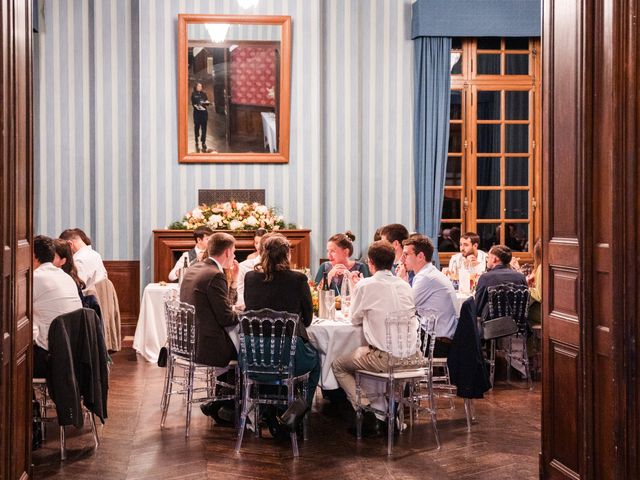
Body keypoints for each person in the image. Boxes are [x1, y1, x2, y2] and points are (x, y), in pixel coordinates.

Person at [332, 241, 417, 436]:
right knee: (366, 352)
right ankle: (389, 412)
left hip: (385, 358)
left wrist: (355, 289)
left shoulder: (366, 284)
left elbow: (354, 318)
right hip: (412, 356)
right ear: (392, 261)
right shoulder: (404, 285)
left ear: (370, 263)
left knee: (339, 364)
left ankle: (367, 411)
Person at [243, 234, 321, 410]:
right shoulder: (298, 279)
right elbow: (307, 320)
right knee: (316, 360)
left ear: (263, 254)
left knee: (269, 363)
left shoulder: (250, 278)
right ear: (287, 255)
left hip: (254, 353)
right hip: (287, 354)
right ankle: (297, 413)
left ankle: (264, 408)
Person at [180, 232, 240, 424]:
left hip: (190, 340)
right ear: (228, 251)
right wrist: (245, 314)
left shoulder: (195, 268)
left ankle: (219, 403)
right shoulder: (215, 275)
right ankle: (227, 407)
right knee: (251, 352)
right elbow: (226, 317)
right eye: (234, 251)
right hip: (208, 344)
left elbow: (222, 306)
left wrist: (234, 281)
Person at [33, 235, 83, 377]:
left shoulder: (35, 278)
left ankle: (21, 398)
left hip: (51, 355)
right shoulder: (66, 277)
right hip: (74, 352)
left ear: (33, 256)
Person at [402, 235, 458, 358]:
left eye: (406, 254)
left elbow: (405, 307)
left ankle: (393, 373)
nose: (402, 259)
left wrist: (401, 280)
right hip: (440, 337)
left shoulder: (425, 277)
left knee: (393, 334)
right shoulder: (428, 272)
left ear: (420, 256)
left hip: (437, 343)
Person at [474, 244, 528, 320]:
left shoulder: (486, 278)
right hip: (517, 324)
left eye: (488, 257)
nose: (486, 260)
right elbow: (524, 305)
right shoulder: (521, 277)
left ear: (494, 259)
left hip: (492, 327)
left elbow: (477, 308)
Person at [59, 228, 107, 293]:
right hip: (101, 298)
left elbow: (77, 288)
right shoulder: (96, 255)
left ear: (70, 244)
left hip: (87, 300)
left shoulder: (78, 260)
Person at [236, 228, 268, 307]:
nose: (259, 247)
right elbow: (240, 291)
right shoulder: (244, 265)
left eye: (262, 243)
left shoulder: (278, 265)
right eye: (256, 243)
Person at [191, 82, 210, 153]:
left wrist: (207, 102)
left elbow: (207, 101)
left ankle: (203, 142)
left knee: (204, 127)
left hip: (204, 113)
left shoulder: (204, 94)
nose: (200, 87)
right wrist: (196, 106)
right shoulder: (193, 94)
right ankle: (196, 138)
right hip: (197, 113)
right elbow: (193, 103)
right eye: (199, 86)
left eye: (201, 86)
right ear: (196, 87)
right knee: (196, 126)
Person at [527, 238, 542, 325]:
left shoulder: (541, 267)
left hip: (543, 313)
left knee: (520, 312)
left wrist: (529, 289)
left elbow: (540, 296)